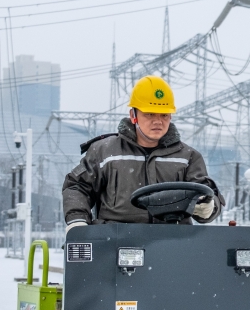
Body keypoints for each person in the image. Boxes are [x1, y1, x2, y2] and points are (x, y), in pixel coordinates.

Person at [62, 75, 223, 230]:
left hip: (174, 244)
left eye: (164, 115)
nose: (158, 121)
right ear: (133, 115)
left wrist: (208, 206)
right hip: (115, 242)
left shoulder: (188, 157)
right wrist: (77, 221)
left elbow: (206, 194)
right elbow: (77, 186)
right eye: (149, 114)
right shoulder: (104, 152)